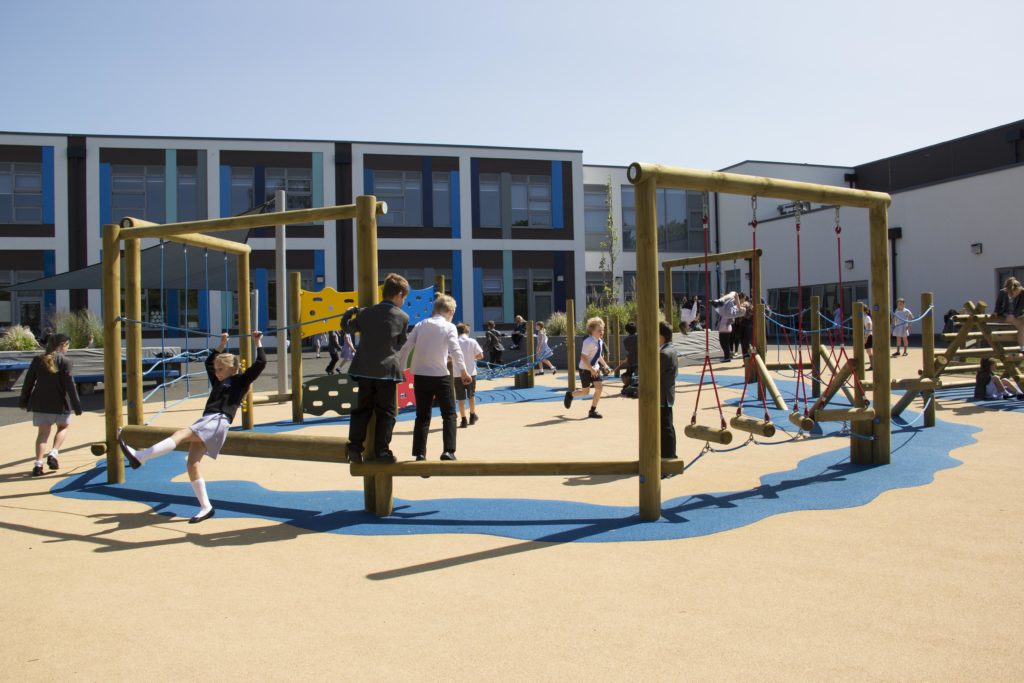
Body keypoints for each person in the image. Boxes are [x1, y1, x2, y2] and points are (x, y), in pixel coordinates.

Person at [118, 331, 266, 523]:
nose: (216, 372)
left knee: (181, 434)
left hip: (218, 420)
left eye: (221, 369)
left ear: (233, 369)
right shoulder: (218, 381)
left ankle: (142, 456)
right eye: (216, 369)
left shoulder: (240, 381)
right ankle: (206, 507)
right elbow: (208, 362)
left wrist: (258, 342)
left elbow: (260, 363)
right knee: (192, 464)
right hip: (208, 421)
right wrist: (221, 344)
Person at [340, 273, 410, 464]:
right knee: (386, 413)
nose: (404, 301)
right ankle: (382, 450)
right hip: (387, 372)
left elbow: (346, 327)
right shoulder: (403, 317)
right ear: (399, 294)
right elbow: (400, 342)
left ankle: (355, 446)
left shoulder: (365, 313)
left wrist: (351, 311)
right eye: (404, 297)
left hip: (364, 369)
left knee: (362, 409)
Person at [398, 295, 472, 461]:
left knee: (422, 416)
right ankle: (448, 451)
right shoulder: (449, 327)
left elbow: (405, 348)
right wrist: (464, 371)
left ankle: (419, 453)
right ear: (450, 311)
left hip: (420, 376)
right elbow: (455, 351)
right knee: (449, 414)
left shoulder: (420, 325)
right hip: (440, 376)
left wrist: (402, 370)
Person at [19, 333, 82, 477]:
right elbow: (70, 386)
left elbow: (28, 382)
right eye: (67, 346)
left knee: (42, 434)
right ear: (62, 345)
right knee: (63, 427)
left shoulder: (37, 360)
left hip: (40, 403)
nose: (67, 349)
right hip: (60, 403)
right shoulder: (65, 362)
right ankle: (53, 453)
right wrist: (77, 406)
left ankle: (38, 465)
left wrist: (24, 400)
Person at [563, 317, 613, 418]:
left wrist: (605, 365)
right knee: (585, 391)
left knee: (599, 388)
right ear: (592, 331)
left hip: (595, 368)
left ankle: (592, 411)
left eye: (602, 329)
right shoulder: (588, 341)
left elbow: (598, 355)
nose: (602, 332)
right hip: (585, 369)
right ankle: (570, 395)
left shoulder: (600, 341)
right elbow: (583, 357)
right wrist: (591, 369)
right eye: (599, 330)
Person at [455, 322, 484, 427]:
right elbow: (480, 355)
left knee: (460, 398)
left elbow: (448, 357)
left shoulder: (454, 342)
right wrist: (471, 357)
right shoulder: (472, 341)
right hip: (471, 373)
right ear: (467, 331)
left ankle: (463, 420)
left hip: (457, 374)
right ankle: (472, 416)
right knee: (471, 396)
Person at [658, 321, 679, 461]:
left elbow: (655, 372)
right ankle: (668, 454)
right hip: (665, 393)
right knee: (666, 426)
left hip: (663, 394)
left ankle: (669, 456)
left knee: (665, 427)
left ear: (661, 336)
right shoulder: (669, 349)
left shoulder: (665, 353)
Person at [994, 276, 1024, 349]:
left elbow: (1021, 307)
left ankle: (1022, 347)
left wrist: (1019, 315)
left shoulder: (1022, 292)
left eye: (1017, 292)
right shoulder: (1003, 292)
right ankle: (1022, 347)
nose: (1015, 294)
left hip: (1018, 315)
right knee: (1022, 326)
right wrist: (996, 313)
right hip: (1006, 315)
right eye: (1013, 293)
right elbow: (998, 306)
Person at [618, 321, 638, 392]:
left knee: (628, 373)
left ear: (627, 331)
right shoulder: (640, 337)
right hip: (641, 360)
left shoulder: (626, 341)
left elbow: (628, 349)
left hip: (631, 360)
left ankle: (627, 385)